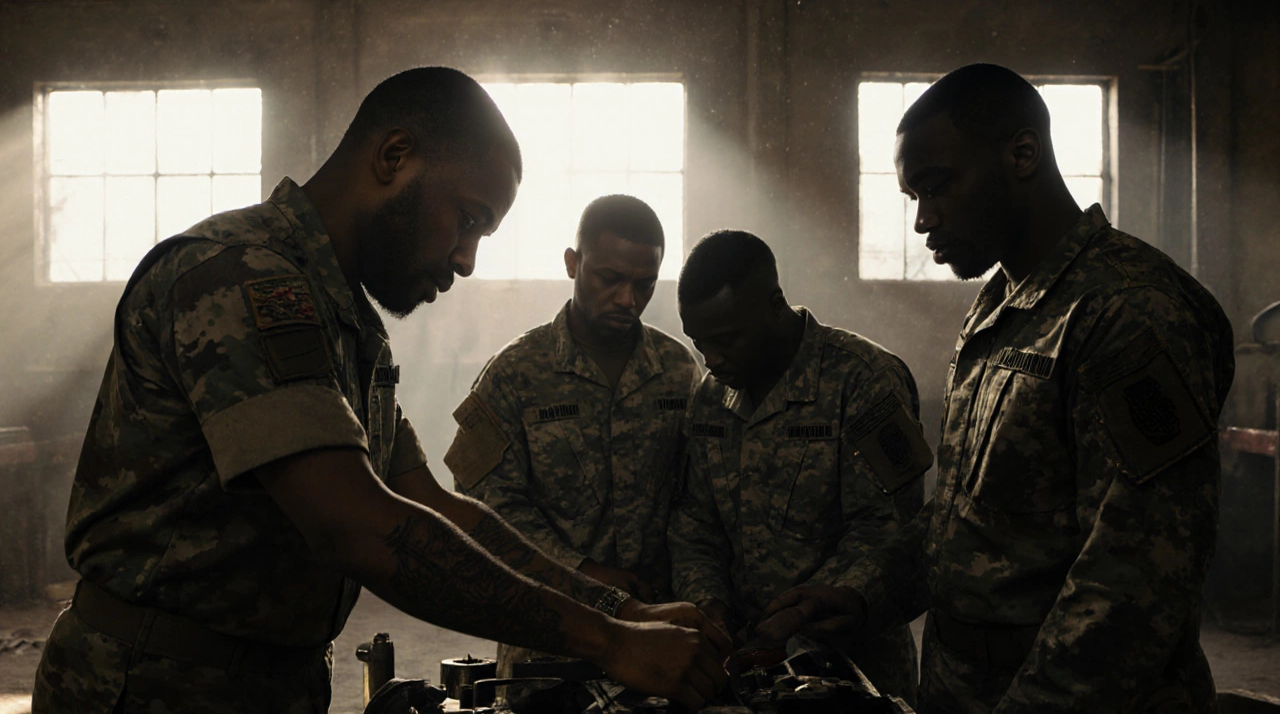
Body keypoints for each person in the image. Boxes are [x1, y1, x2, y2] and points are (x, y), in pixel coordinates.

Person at [32, 67, 728, 714]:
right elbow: (359, 525)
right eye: (468, 219)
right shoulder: (241, 279)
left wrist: (620, 610)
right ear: (395, 157)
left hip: (270, 682)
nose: (465, 259)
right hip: (149, 688)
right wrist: (609, 644)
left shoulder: (345, 323)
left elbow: (429, 503)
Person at [757, 63, 1235, 714]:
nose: (923, 221)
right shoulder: (997, 307)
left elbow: (1136, 579)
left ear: (1022, 155)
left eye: (938, 186)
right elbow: (964, 519)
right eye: (912, 196)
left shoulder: (1126, 311)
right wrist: (863, 591)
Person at [447, 193, 702, 676]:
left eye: (645, 285)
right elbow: (485, 508)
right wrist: (583, 573)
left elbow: (701, 500)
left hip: (659, 634)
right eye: (610, 279)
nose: (628, 300)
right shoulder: (514, 373)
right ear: (572, 263)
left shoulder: (678, 372)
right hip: (548, 636)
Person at [670, 230, 929, 703]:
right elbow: (695, 522)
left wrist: (805, 613)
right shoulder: (710, 397)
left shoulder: (865, 380)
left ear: (775, 304)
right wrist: (708, 604)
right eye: (698, 342)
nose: (712, 359)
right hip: (745, 671)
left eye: (725, 339)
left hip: (850, 675)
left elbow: (890, 530)